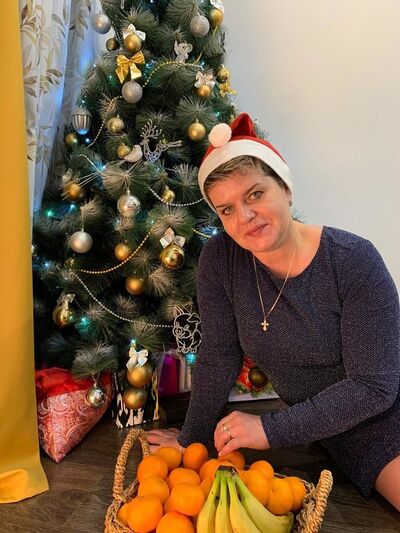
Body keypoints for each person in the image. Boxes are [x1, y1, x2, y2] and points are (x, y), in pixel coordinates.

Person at [147, 113, 400, 510]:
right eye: (226, 209)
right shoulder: (221, 260)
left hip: (384, 412)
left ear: (285, 188)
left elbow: (374, 386)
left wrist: (269, 429)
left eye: (255, 194)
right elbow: (219, 355)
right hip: (341, 429)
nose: (244, 217)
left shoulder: (353, 260)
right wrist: (190, 438)